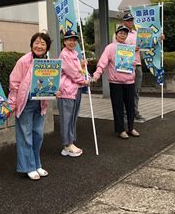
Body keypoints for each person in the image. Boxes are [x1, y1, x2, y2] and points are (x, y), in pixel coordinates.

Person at [8, 32, 59, 180]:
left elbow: (52, 83)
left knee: (38, 135)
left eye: (43, 44)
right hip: (25, 102)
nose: (39, 46)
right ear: (31, 45)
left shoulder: (48, 62)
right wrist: (12, 103)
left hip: (40, 103)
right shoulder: (24, 61)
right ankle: (27, 167)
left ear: (47, 47)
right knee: (25, 135)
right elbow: (14, 83)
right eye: (36, 42)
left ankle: (37, 164)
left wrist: (56, 91)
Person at [93, 25, 140, 139]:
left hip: (129, 81)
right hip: (116, 82)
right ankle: (120, 130)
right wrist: (97, 74)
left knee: (130, 106)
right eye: (120, 33)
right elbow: (103, 62)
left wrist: (133, 61)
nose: (122, 35)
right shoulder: (110, 48)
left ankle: (131, 127)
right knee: (117, 106)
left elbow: (134, 62)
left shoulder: (129, 48)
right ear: (116, 34)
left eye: (125, 33)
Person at [58, 29, 90, 157]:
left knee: (72, 117)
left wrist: (82, 67)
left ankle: (70, 142)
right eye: (69, 39)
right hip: (66, 91)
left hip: (75, 89)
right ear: (64, 41)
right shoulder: (65, 54)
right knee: (67, 118)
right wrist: (85, 80)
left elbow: (77, 71)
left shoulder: (74, 54)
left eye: (74, 40)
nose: (72, 42)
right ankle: (67, 144)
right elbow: (72, 73)